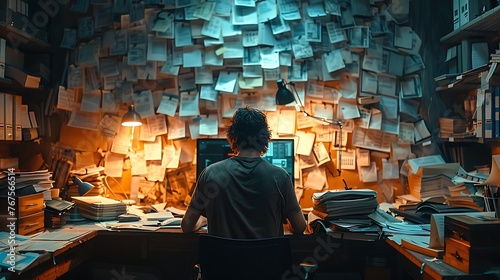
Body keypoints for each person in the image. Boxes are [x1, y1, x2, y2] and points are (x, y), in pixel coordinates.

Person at [181, 106, 306, 238]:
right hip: (266, 258)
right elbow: (300, 227)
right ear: (265, 138)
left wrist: (203, 221)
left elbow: (186, 226)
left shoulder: (210, 174)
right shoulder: (280, 176)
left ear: (232, 137)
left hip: (223, 259)